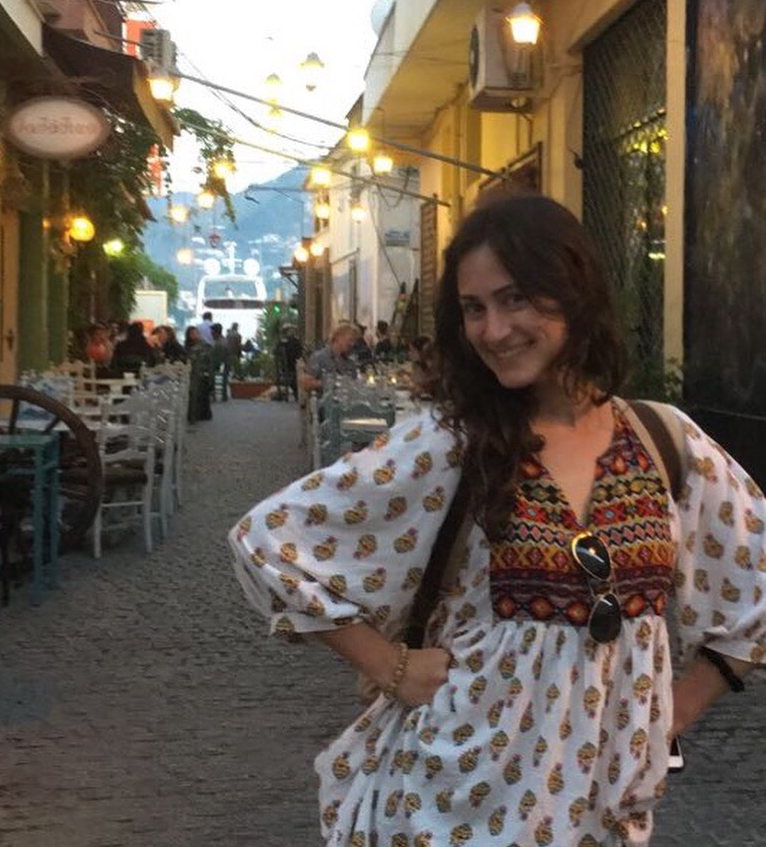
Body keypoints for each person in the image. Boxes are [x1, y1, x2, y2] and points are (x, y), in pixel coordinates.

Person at [228, 193, 766, 847]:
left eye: (515, 299)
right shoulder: (451, 441)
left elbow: (755, 576)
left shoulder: (663, 441)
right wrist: (391, 664)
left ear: (574, 292)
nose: (492, 329)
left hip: (602, 812)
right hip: (456, 801)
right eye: (474, 308)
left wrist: (678, 705)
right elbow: (269, 539)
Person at [301, 322, 359, 393]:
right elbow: (306, 385)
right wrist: (329, 384)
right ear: (338, 337)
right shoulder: (319, 358)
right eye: (350, 340)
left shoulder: (350, 363)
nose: (352, 344)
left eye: (354, 341)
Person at [184, 325, 212, 421]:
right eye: (192, 334)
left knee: (195, 392)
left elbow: (202, 360)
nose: (194, 335)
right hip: (193, 372)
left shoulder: (200, 346)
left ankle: (194, 415)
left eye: (195, 333)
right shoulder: (189, 345)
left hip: (198, 372)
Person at [274, 324, 303, 401]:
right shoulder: (295, 342)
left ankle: (298, 394)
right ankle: (298, 395)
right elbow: (300, 353)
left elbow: (276, 352)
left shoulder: (281, 342)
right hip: (293, 367)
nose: (292, 331)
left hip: (286, 367)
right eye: (290, 330)